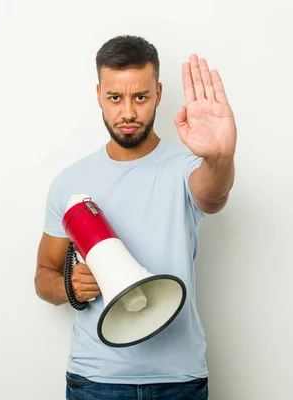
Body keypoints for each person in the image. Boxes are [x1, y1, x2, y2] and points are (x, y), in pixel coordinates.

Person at [34, 34, 236, 400]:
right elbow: (43, 276)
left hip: (178, 380)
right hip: (95, 380)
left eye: (140, 97)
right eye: (115, 97)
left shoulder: (187, 168)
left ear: (158, 94)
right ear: (99, 95)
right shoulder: (69, 182)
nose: (127, 112)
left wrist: (219, 158)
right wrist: (69, 287)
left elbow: (213, 195)